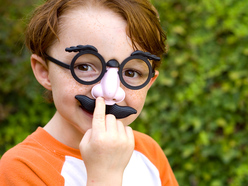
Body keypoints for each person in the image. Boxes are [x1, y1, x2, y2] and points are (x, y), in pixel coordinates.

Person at [0, 0, 178, 185]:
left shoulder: (149, 153)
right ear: (45, 71)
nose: (110, 92)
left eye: (131, 72)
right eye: (84, 66)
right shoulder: (22, 169)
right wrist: (104, 176)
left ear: (149, 82)